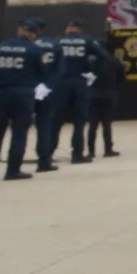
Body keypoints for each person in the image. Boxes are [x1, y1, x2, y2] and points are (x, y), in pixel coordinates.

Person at [0, 19, 48, 182]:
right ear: (33, 33)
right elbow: (43, 73)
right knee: (19, 132)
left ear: (19, 30)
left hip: (2, 91)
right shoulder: (35, 49)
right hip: (23, 92)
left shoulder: (1, 46)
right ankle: (12, 170)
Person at [38, 16, 97, 168]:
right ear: (80, 28)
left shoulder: (57, 41)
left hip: (60, 83)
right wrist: (92, 72)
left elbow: (48, 62)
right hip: (79, 81)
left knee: (55, 120)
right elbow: (103, 57)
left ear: (66, 28)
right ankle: (77, 154)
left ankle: (48, 153)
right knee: (79, 120)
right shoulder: (87, 41)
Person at [84, 34, 122, 158]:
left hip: (93, 94)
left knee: (92, 125)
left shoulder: (89, 62)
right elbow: (121, 78)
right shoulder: (114, 61)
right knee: (107, 124)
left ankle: (91, 151)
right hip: (109, 94)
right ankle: (108, 149)